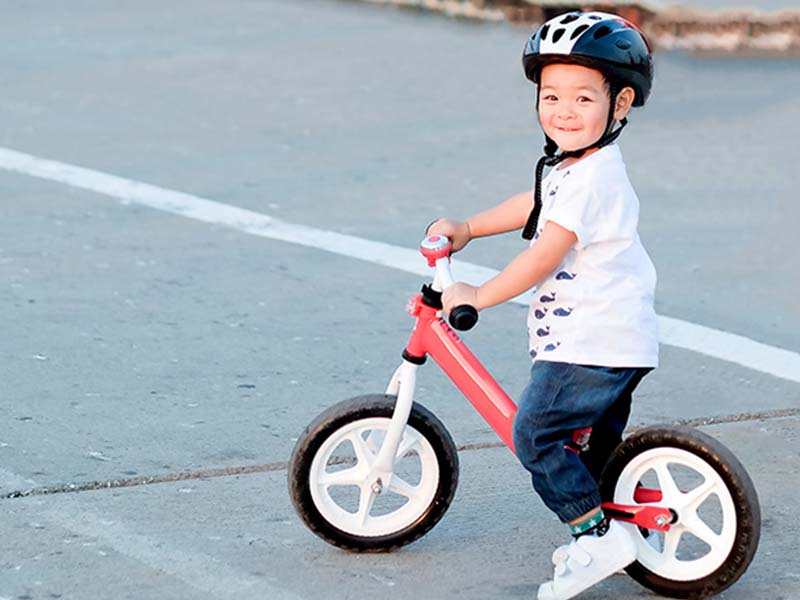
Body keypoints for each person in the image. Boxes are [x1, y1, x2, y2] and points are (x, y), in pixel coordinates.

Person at [428, 11, 659, 600]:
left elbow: (543, 254)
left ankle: (594, 538)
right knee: (589, 452)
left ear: (622, 103)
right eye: (551, 95)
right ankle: (620, 530)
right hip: (613, 337)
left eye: (584, 98)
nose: (563, 110)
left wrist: (477, 293)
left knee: (535, 435)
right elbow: (533, 205)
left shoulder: (591, 178)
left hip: (591, 342)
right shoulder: (573, 165)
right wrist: (469, 229)